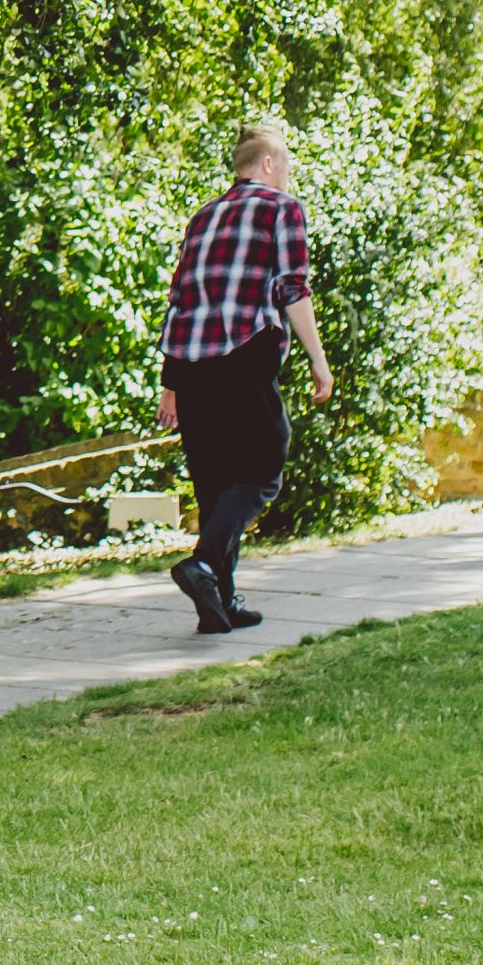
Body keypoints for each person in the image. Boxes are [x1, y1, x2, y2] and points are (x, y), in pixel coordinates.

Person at [156, 116, 335, 634]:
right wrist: (318, 362)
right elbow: (292, 289)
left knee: (216, 484)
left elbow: (181, 299)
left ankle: (221, 605)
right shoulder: (282, 209)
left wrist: (170, 383)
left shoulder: (202, 216)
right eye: (287, 166)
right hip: (242, 359)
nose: (288, 177)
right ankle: (205, 565)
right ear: (269, 162)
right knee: (261, 467)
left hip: (190, 368)